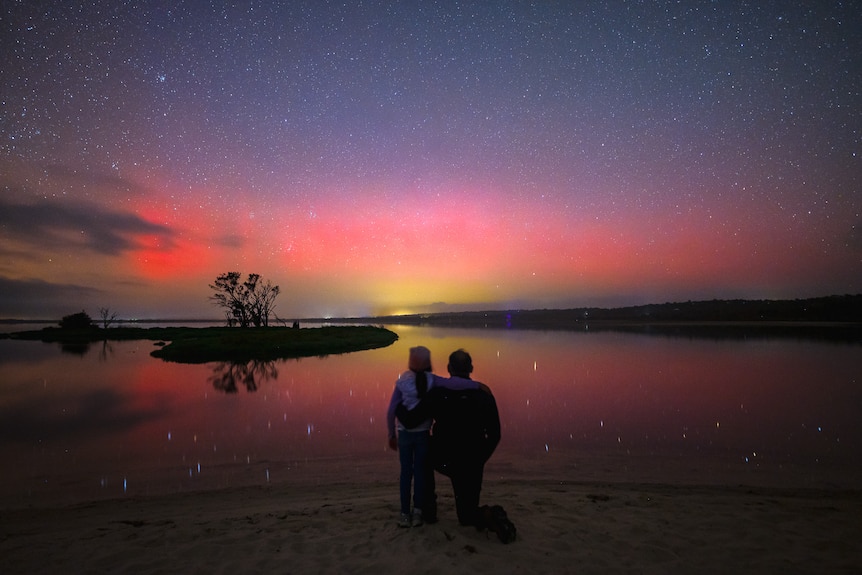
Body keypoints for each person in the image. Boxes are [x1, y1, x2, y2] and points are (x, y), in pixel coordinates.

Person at [396, 349, 515, 543]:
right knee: (467, 517)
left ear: (449, 368)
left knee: (423, 453)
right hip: (470, 459)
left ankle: (428, 509)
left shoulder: (438, 392)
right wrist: (480, 459)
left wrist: (398, 406)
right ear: (471, 369)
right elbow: (495, 435)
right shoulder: (483, 395)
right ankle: (488, 515)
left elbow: (411, 420)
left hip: (443, 457)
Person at [385, 346, 479, 528]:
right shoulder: (432, 380)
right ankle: (419, 512)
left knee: (406, 473)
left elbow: (391, 410)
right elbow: (455, 383)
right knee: (420, 473)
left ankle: (405, 514)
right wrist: (477, 385)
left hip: (404, 434)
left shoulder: (402, 381)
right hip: (422, 435)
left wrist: (391, 434)